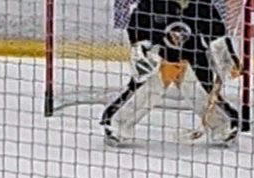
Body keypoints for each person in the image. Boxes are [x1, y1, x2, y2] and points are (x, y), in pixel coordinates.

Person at [100, 0, 241, 147]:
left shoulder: (202, 6)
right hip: (160, 55)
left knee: (200, 92)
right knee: (145, 90)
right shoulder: (151, 4)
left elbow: (217, 36)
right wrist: (146, 53)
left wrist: (228, 60)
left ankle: (225, 127)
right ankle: (116, 126)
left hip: (192, 57)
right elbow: (136, 31)